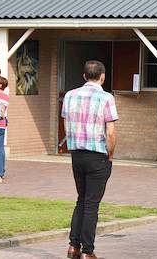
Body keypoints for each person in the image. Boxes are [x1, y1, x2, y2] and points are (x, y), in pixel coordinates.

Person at [62, 60, 118, 259]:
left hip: (77, 153)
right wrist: (110, 154)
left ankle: (73, 245)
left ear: (84, 76)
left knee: (81, 199)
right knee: (92, 204)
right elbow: (110, 131)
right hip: (97, 154)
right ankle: (88, 250)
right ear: (102, 77)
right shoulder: (106, 98)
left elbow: (66, 121)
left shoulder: (70, 95)